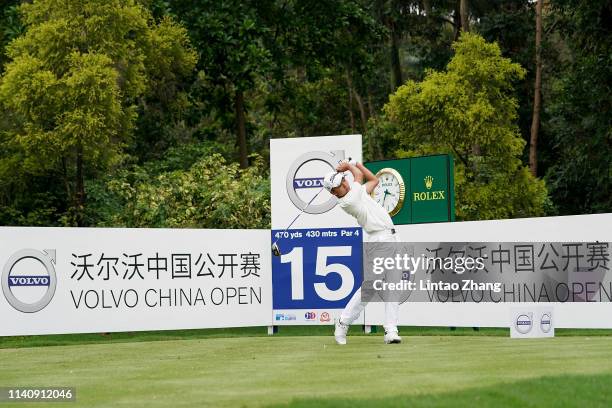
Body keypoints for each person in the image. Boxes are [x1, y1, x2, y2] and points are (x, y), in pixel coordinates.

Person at [323, 160, 402, 345]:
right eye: (339, 185)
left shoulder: (358, 193)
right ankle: (343, 322)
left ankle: (391, 330)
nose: (344, 183)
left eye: (343, 180)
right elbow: (358, 176)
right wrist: (348, 167)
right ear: (334, 192)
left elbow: (374, 180)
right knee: (370, 288)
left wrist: (357, 163)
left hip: (393, 239)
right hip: (378, 241)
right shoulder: (348, 201)